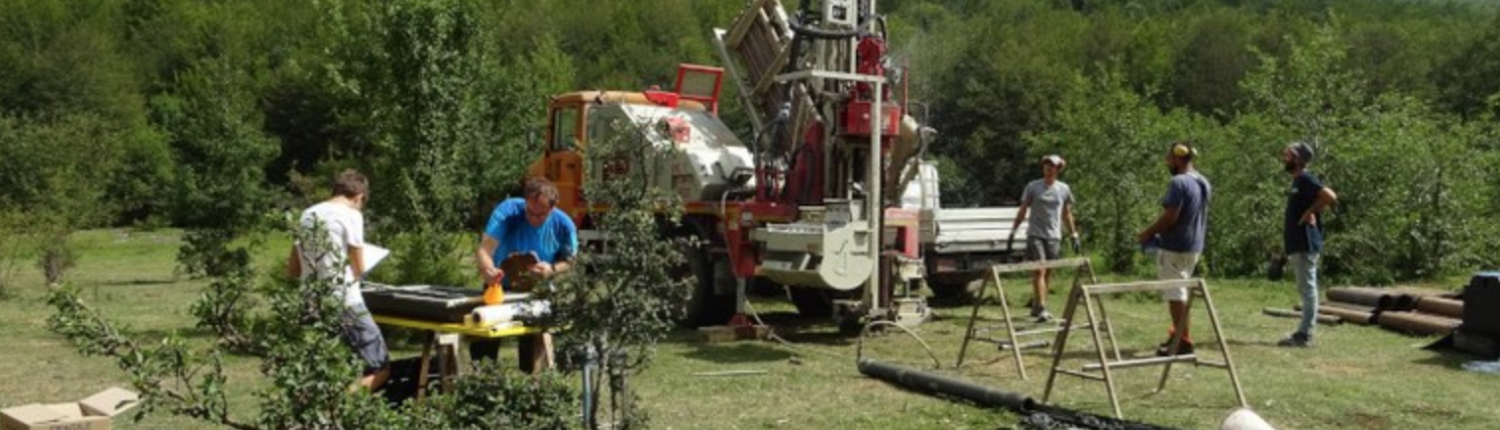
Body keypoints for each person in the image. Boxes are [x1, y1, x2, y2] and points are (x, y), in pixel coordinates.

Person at [287, 169, 390, 391]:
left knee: (317, 372)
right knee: (379, 367)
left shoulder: (307, 215)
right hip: (344, 301)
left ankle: (313, 410)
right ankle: (341, 407)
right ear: (359, 197)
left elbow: (293, 269)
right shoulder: (351, 214)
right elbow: (359, 267)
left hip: (309, 301)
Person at [470, 177, 578, 372]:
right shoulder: (508, 211)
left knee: (532, 353)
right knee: (484, 348)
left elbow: (571, 261)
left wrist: (551, 269)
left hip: (537, 291)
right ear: (525, 201)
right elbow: (484, 250)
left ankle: (532, 386)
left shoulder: (564, 225)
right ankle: (481, 383)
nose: (533, 218)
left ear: (553, 208)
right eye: (529, 212)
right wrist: (488, 271)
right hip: (499, 286)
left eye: (540, 215)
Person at [1136, 142, 1211, 357]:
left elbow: (1171, 217)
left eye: (1169, 158)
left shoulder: (1178, 182)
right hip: (1194, 247)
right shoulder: (1203, 181)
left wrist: (1147, 233)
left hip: (1175, 248)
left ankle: (1183, 342)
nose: (1166, 161)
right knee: (1181, 293)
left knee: (1175, 296)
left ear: (1178, 158)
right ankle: (1178, 335)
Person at [1277, 142, 1337, 348]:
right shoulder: (1298, 181)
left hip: (1306, 242)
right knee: (1305, 288)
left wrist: (1311, 211)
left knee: (1308, 289)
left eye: (1289, 155)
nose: (1284, 158)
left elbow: (1330, 197)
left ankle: (1305, 335)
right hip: (1299, 243)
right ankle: (1304, 332)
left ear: (1299, 159)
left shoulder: (1305, 178)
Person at [1007, 155, 1080, 323]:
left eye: (1052, 166)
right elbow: (1023, 209)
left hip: (1054, 236)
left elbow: (1066, 213)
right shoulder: (1033, 186)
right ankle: (1041, 308)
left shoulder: (1063, 189)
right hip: (1035, 234)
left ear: (1058, 169)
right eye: (1046, 165)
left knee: (1047, 272)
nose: (1048, 168)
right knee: (1039, 270)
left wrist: (1074, 235)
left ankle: (1037, 305)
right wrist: (1013, 231)